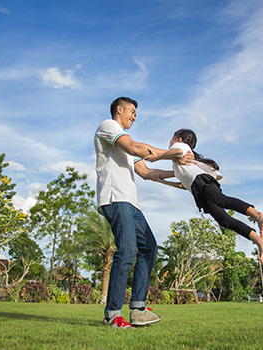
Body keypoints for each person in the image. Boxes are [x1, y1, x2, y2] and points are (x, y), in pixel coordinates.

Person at [94, 98, 192, 329]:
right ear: (119, 109)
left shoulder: (125, 145)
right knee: (127, 250)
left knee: (149, 247)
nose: (135, 116)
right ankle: (113, 314)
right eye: (132, 111)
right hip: (115, 198)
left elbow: (147, 172)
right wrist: (175, 153)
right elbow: (135, 147)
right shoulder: (108, 127)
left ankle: (138, 308)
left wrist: (180, 178)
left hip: (130, 203)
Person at [145, 128, 263, 264]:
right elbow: (183, 184)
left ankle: (258, 215)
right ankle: (260, 240)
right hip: (197, 188)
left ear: (179, 139)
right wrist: (162, 180)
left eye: (172, 137)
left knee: (221, 200)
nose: (170, 141)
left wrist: (157, 156)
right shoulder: (178, 164)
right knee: (223, 220)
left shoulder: (180, 146)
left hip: (201, 181)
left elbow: (176, 151)